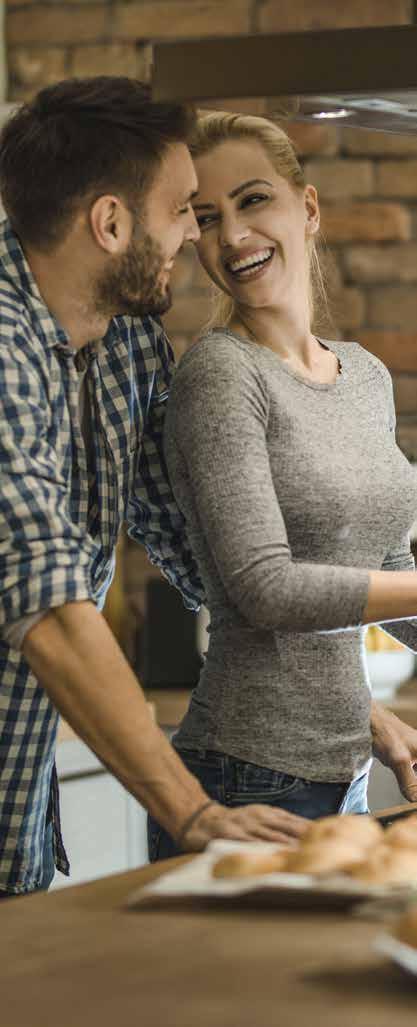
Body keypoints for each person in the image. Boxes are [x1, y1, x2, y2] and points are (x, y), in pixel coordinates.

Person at [0, 83, 309, 897]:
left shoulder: (126, 337)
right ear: (110, 224)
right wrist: (195, 813)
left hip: (16, 818)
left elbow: (198, 540)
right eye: (183, 210)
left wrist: (334, 689)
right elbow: (50, 602)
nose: (193, 236)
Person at [147, 110, 417, 861]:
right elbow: (265, 589)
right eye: (206, 217)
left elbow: (388, 564)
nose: (231, 234)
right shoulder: (219, 375)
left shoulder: (362, 374)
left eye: (252, 200)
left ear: (307, 207)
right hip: (242, 780)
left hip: (346, 777)